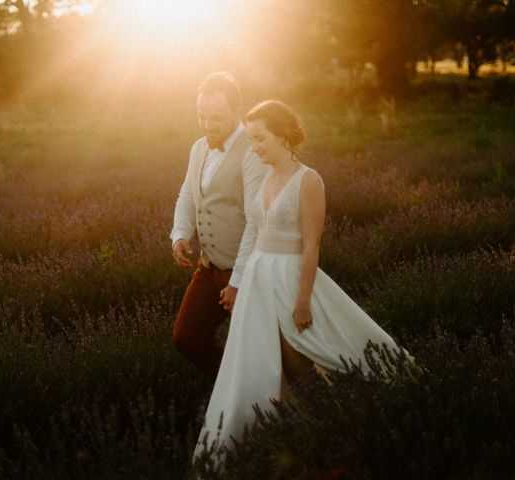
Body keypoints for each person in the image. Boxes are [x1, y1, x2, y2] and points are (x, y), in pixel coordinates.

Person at [193, 100, 409, 464]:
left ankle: (334, 429)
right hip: (260, 281)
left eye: (260, 139)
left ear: (282, 135)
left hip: (289, 278)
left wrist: (303, 299)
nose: (255, 147)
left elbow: (312, 246)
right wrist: (240, 283)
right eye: (253, 140)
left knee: (300, 355)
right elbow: (253, 232)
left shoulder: (308, 180)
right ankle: (279, 437)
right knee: (262, 359)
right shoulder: (263, 178)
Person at [170, 72, 268, 377]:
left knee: (259, 348)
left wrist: (237, 280)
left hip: (244, 271)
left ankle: (270, 404)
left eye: (217, 117)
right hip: (208, 267)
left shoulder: (253, 151)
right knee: (187, 339)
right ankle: (236, 383)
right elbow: (188, 192)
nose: (209, 124)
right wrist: (180, 234)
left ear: (236, 111)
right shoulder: (198, 147)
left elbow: (256, 219)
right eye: (202, 116)